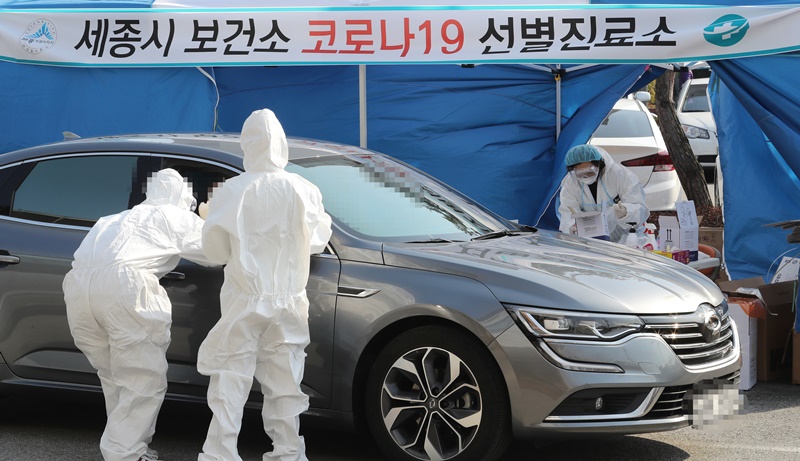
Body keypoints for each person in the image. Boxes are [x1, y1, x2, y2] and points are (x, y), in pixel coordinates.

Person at [197, 108, 332, 461]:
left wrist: (209, 219)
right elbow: (317, 241)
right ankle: (288, 452)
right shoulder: (305, 189)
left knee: (231, 375)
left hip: (246, 298)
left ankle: (221, 454)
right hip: (289, 299)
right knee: (285, 380)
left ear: (247, 145)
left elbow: (214, 251)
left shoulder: (234, 190)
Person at [62, 168, 214, 461]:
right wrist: (212, 223)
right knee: (142, 377)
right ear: (183, 198)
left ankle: (127, 447)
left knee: (113, 374)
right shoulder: (173, 215)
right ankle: (125, 453)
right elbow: (215, 253)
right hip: (125, 291)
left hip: (79, 290)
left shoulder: (110, 219)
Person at [557, 144, 648, 243]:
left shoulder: (621, 175)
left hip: (625, 238)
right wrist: (573, 226)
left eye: (589, 171)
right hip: (589, 242)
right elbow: (567, 212)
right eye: (580, 173)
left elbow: (640, 209)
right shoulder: (571, 183)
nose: (586, 176)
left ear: (599, 165)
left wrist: (627, 212)